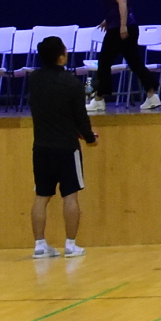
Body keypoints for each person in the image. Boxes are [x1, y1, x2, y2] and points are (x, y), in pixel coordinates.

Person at [27, 33, 98, 258]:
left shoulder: (34, 80)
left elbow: (48, 110)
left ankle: (39, 245)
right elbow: (80, 117)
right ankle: (70, 244)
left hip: (41, 147)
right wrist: (90, 138)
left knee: (42, 196)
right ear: (61, 57)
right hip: (67, 147)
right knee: (70, 196)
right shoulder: (72, 83)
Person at [90, 0, 161, 114]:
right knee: (135, 62)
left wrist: (122, 27)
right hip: (122, 26)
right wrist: (107, 20)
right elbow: (116, 6)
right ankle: (152, 94)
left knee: (104, 62)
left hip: (120, 29)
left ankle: (99, 99)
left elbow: (123, 3)